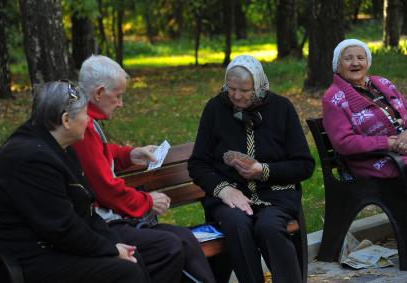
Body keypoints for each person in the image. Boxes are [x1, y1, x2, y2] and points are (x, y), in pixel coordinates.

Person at [0, 81, 149, 283]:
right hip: (26, 259)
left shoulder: (59, 145)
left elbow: (85, 209)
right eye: (85, 114)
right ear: (66, 120)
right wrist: (111, 251)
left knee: (132, 257)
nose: (88, 121)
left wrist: (115, 245)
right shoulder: (33, 159)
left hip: (52, 246)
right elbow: (60, 228)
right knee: (125, 271)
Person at [73, 55, 216, 283]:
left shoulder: (87, 122)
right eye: (118, 96)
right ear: (99, 93)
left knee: (185, 239)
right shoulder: (83, 127)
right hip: (102, 225)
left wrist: (130, 154)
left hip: (112, 220)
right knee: (170, 246)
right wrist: (147, 201)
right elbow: (105, 188)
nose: (120, 103)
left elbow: (101, 153)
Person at [188, 55, 315, 283]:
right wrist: (223, 189)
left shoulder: (281, 108)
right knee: (237, 225)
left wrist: (262, 170)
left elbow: (304, 165)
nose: (236, 96)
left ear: (258, 84)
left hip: (275, 196)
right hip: (229, 198)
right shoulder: (216, 108)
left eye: (244, 90)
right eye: (231, 88)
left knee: (269, 227)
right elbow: (197, 163)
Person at [322, 38, 407, 178]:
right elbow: (344, 142)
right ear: (337, 65)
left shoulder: (383, 83)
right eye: (348, 59)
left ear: (367, 63)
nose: (355, 63)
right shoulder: (333, 98)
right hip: (378, 162)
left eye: (360, 58)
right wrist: (388, 143)